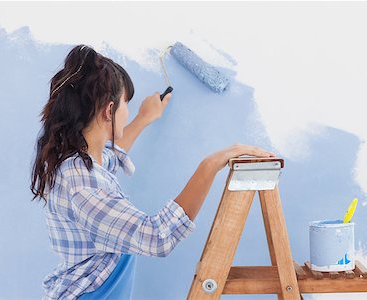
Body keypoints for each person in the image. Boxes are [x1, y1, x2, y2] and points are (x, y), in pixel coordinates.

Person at [30, 44, 276, 300]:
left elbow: (108, 162)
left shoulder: (78, 163)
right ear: (109, 111)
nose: (128, 111)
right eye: (127, 103)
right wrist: (210, 165)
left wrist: (143, 118)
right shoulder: (83, 185)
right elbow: (157, 236)